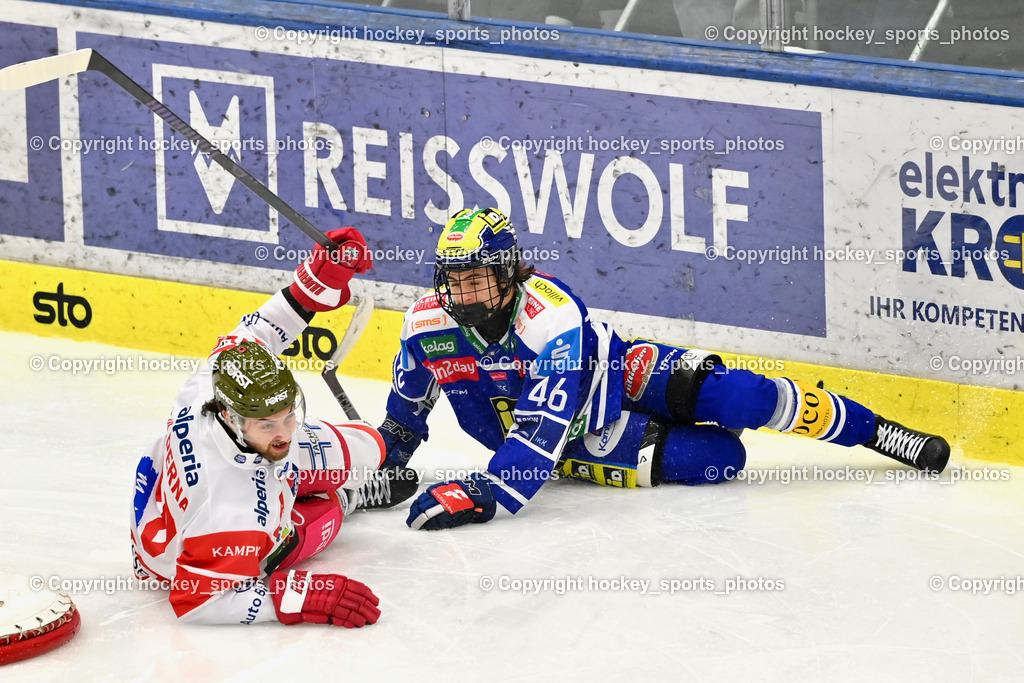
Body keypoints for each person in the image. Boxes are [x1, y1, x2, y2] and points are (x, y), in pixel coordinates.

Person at [375, 208, 950, 530]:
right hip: (581, 439)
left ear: (506, 276)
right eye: (454, 278)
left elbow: (534, 434)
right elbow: (401, 422)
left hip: (612, 375)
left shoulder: (550, 318)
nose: (463, 291)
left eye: (476, 278)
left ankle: (874, 431)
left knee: (741, 397)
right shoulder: (428, 327)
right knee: (721, 460)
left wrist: (484, 494)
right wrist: (374, 473)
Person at [131, 227, 387, 626]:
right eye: (269, 424)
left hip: (201, 484)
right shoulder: (234, 512)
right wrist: (298, 597)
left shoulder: (215, 379)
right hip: (196, 545)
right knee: (322, 514)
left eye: (289, 414)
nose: (285, 432)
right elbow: (196, 602)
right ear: (231, 416)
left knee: (370, 448)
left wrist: (316, 281)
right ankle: (353, 500)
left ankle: (349, 476)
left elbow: (259, 330)